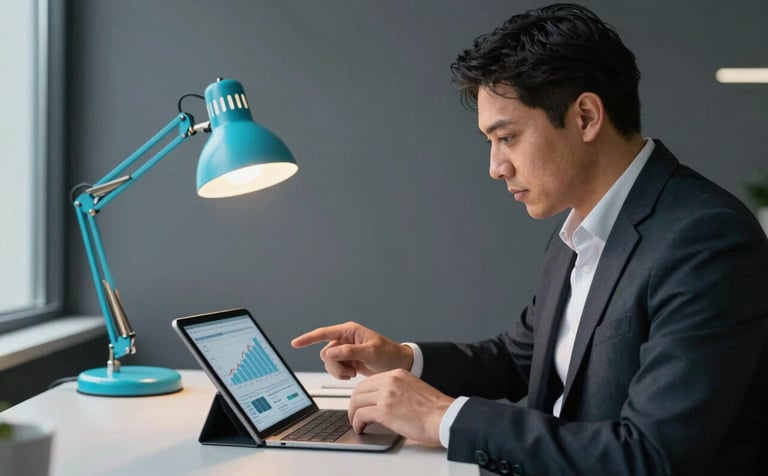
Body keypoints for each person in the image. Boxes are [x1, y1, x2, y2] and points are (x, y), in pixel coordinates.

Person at [292, 3, 768, 475]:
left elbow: (649, 456)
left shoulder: (707, 241)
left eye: (508, 137)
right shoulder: (577, 232)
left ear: (585, 117)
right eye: (490, 143)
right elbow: (517, 358)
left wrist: (442, 418)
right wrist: (403, 358)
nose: (496, 168)